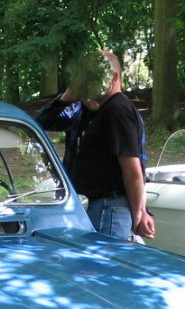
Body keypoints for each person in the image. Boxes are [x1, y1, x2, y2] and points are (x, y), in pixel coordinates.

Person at [37, 50, 154, 241]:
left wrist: (140, 213)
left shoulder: (118, 110)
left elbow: (134, 169)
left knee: (102, 268)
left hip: (107, 209)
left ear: (113, 77)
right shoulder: (81, 110)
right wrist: (68, 95)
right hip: (85, 205)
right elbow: (43, 122)